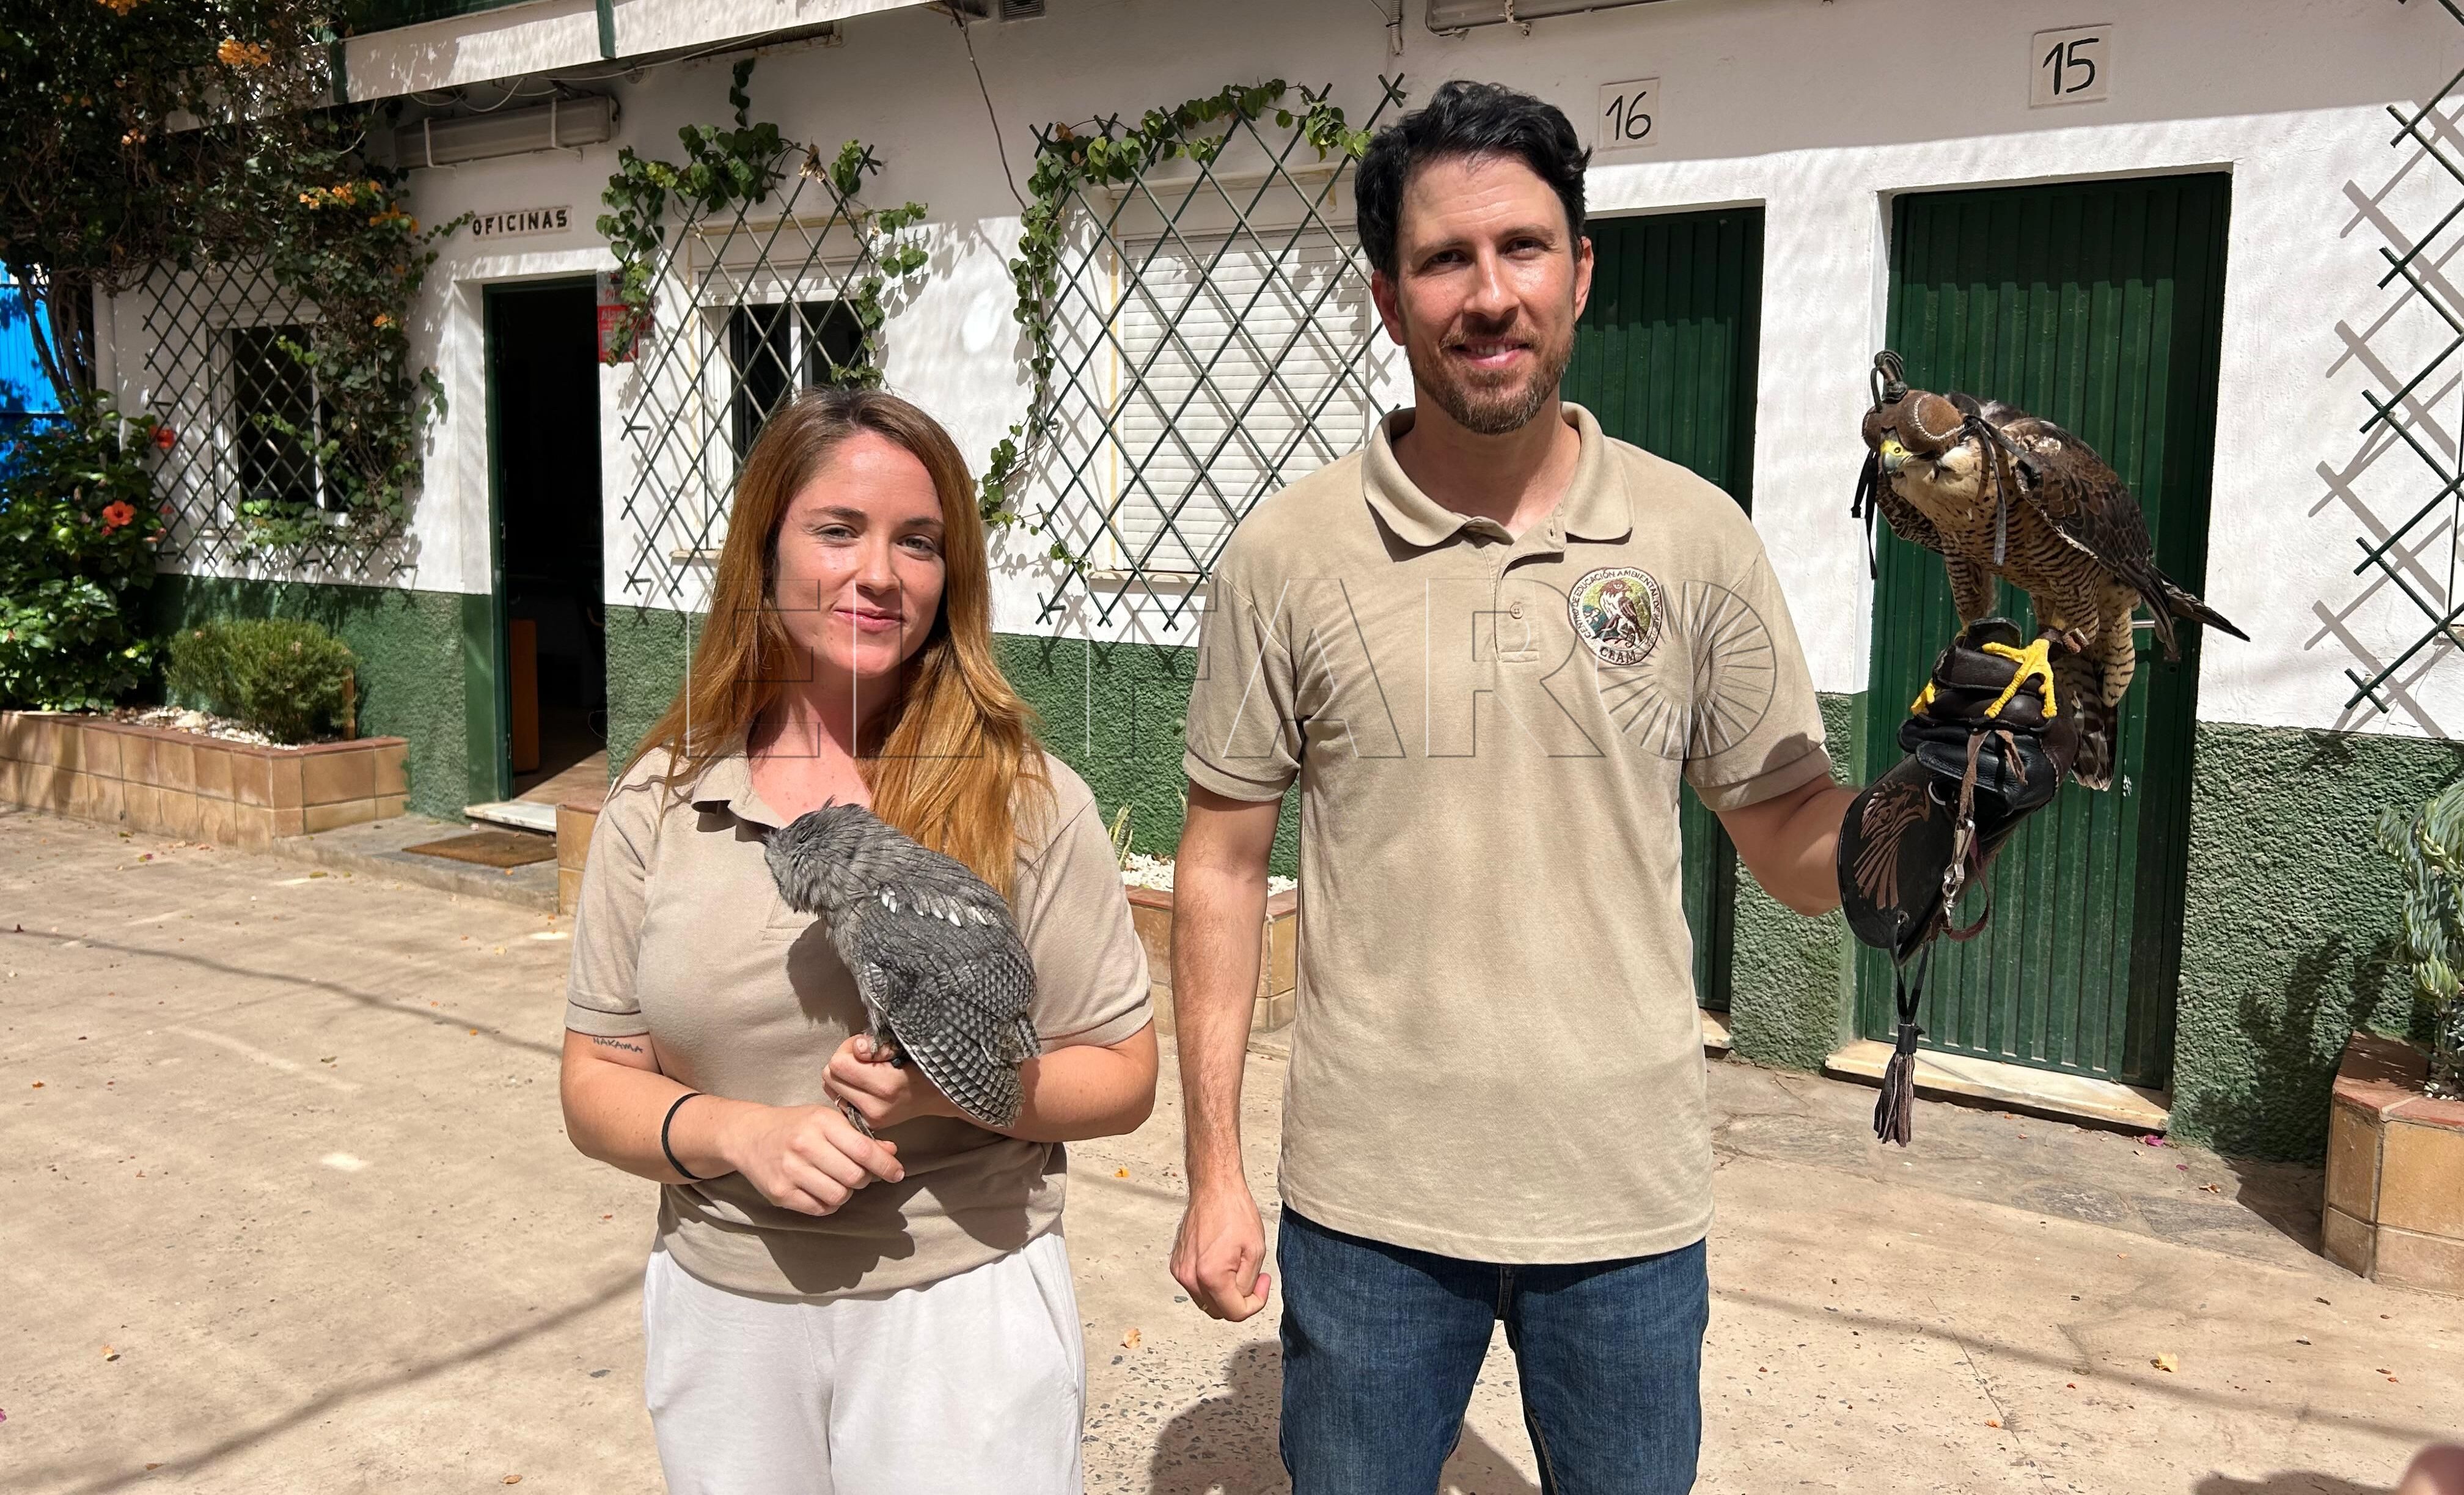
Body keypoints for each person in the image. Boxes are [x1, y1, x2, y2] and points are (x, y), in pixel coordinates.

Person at [1167, 81, 1868, 1494]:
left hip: (1624, 1198)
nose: (1488, 295)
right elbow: (1223, 862)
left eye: (1523, 249)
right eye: (1444, 259)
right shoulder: (1288, 555)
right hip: (1368, 1209)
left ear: (1582, 270)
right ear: (1386, 294)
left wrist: (1931, 817)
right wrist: (1214, 1170)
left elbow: (1789, 830)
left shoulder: (1694, 537)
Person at [559, 388, 1157, 1494]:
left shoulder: (1028, 797)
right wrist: (737, 1133)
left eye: (918, 542)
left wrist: (941, 1095)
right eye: (838, 529)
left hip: (958, 1310)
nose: (880, 573)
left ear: (951, 574)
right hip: (727, 1311)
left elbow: (1121, 1078)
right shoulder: (663, 798)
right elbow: (596, 1082)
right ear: (766, 552)